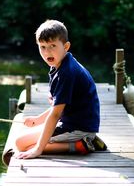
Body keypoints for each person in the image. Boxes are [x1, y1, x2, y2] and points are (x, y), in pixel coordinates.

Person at [14, 20, 105, 160]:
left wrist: (38, 149)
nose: (47, 52)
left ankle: (81, 145)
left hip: (78, 128)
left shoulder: (66, 72)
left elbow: (56, 114)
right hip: (74, 123)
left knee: (22, 144)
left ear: (66, 46)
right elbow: (59, 105)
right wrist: (38, 120)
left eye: (53, 46)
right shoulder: (59, 65)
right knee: (25, 136)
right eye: (42, 47)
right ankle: (85, 139)